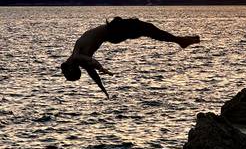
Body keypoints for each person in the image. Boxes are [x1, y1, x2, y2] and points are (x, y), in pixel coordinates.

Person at [61, 17, 200, 98]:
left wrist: (104, 91)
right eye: (65, 72)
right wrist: (102, 69)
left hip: (114, 32)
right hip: (114, 31)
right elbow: (91, 63)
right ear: (71, 67)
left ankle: (181, 40)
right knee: (147, 28)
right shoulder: (77, 57)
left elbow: (92, 73)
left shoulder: (77, 56)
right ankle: (180, 41)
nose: (63, 71)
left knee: (148, 30)